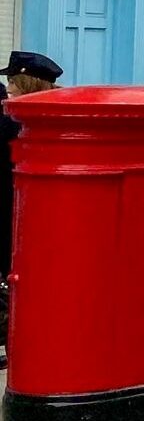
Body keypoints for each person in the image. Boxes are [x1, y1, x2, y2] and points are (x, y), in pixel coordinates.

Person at [1, 51, 62, 350]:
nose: (8, 87)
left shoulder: (18, 121)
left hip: (21, 212)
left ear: (27, 84)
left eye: (13, 81)